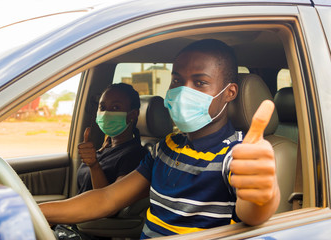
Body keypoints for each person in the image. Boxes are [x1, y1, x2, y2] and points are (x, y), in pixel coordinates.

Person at [39, 39, 280, 239]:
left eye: (200, 82)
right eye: (177, 80)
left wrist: (262, 197)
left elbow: (252, 212)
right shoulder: (165, 147)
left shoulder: (238, 153)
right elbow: (108, 197)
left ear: (229, 93)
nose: (184, 91)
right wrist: (36, 212)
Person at [77, 83, 148, 193]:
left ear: (133, 114)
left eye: (115, 107)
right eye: (102, 107)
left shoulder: (136, 155)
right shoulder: (105, 148)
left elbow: (111, 202)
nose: (106, 113)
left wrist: (94, 165)